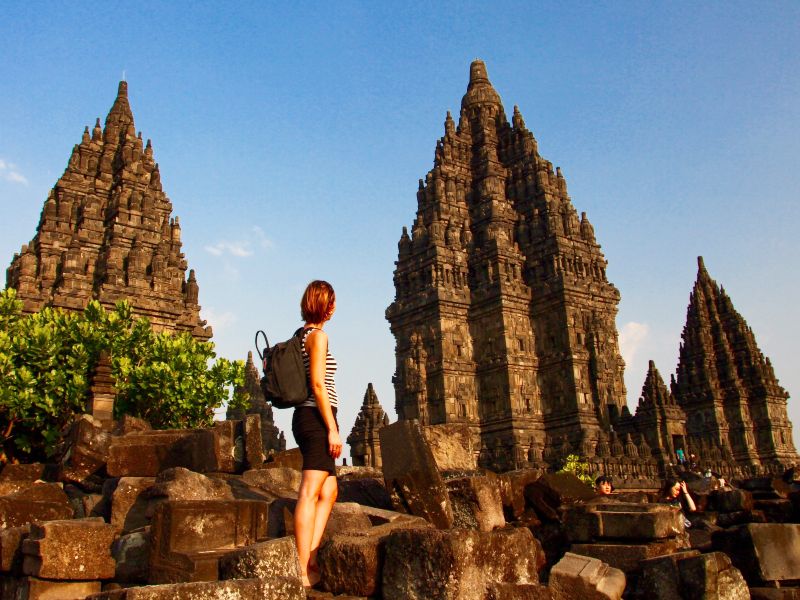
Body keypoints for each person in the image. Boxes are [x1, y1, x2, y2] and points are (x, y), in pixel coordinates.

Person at [292, 280, 342, 589]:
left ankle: (311, 553)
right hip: (315, 417)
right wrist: (332, 429)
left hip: (311, 416)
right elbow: (319, 385)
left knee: (330, 490)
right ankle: (301, 569)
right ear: (326, 306)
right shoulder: (318, 336)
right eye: (332, 302)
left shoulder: (301, 335)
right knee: (310, 491)